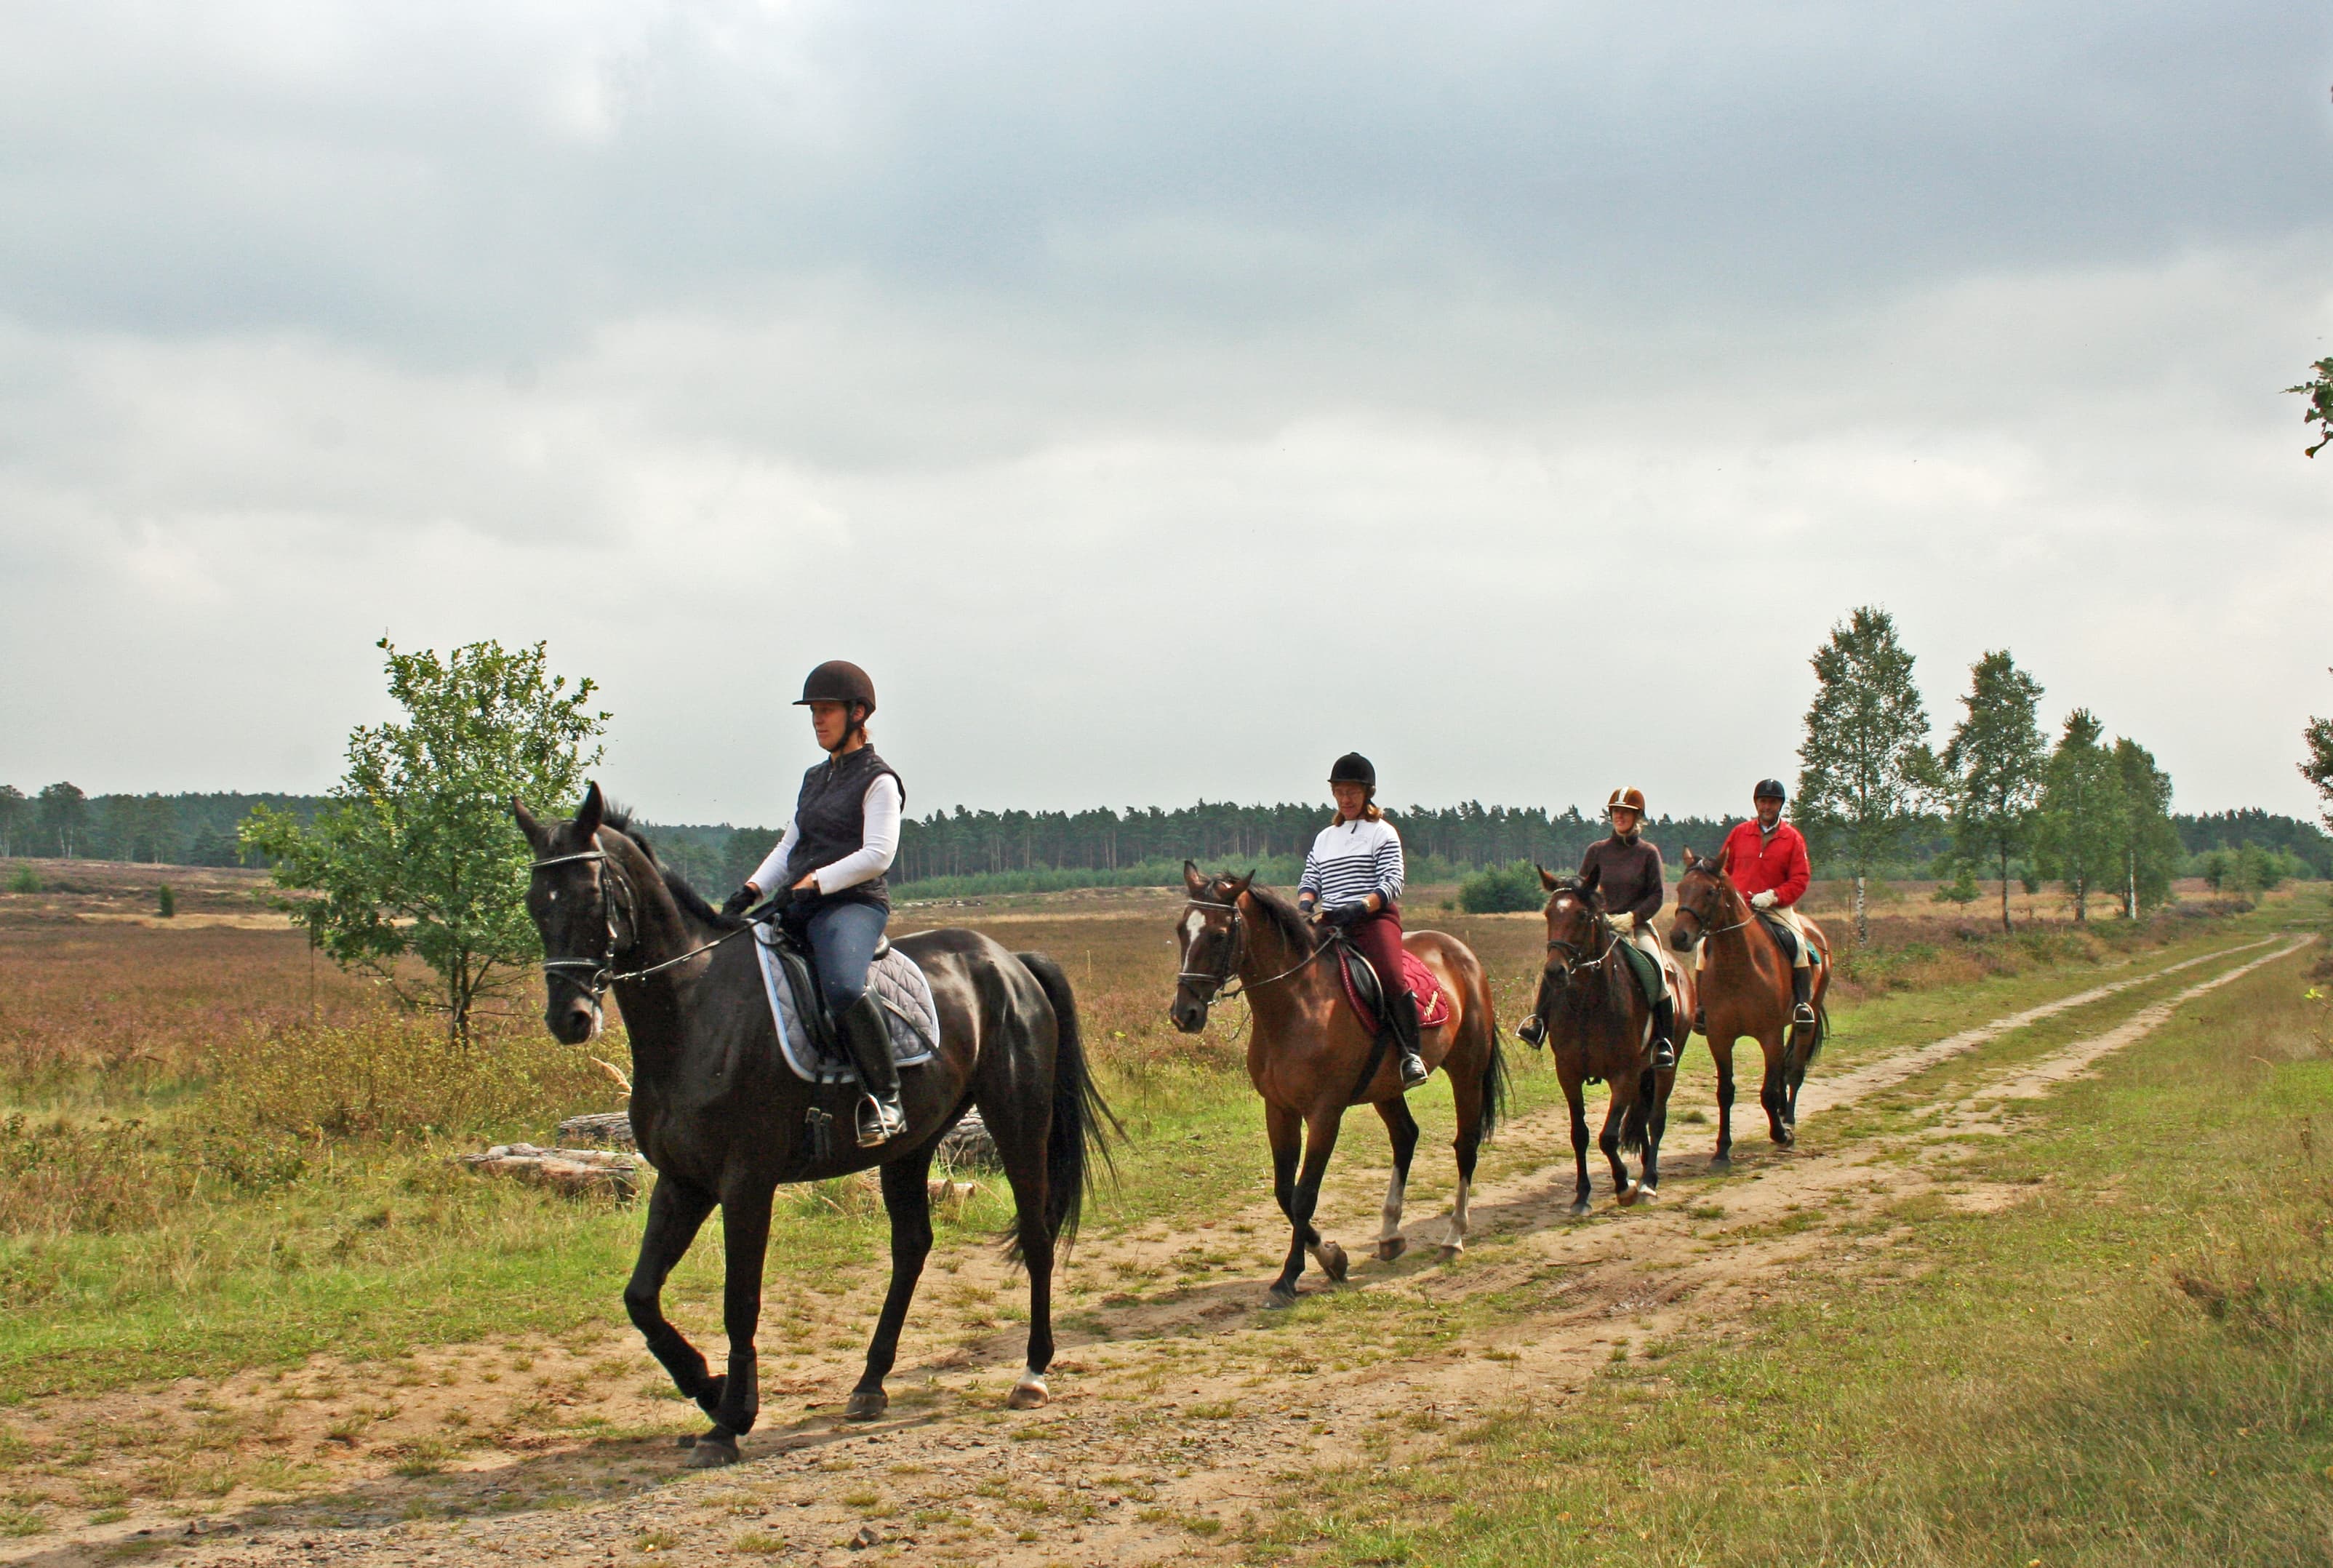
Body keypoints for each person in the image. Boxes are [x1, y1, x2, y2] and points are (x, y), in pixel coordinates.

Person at [722, 660, 908, 1147]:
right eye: (814, 713)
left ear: (858, 713)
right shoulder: (814, 778)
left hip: (853, 905)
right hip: (802, 900)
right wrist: (752, 891)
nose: (817, 721)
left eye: (826, 711)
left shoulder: (879, 779)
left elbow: (878, 854)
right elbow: (790, 847)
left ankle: (887, 1099)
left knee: (844, 987)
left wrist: (818, 883)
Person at [1296, 753, 1428, 1089]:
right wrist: (1305, 904)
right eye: (1339, 791)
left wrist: (1362, 906)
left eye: (1352, 791)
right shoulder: (1325, 838)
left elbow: (1392, 882)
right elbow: (1311, 877)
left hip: (1372, 919)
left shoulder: (1382, 833)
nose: (1345, 798)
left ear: (1367, 792)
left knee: (1390, 975)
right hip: (1331, 920)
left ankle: (1411, 1054)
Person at [1577, 786, 1677, 1070]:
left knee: (1656, 972)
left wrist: (1632, 917)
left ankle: (1663, 1042)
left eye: (1626, 813)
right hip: (1600, 926)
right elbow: (1583, 889)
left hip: (1636, 928)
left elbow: (1657, 896)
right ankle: (1539, 1023)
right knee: (1560, 965)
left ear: (1638, 818)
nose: (1619, 816)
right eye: (1616, 812)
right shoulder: (1596, 851)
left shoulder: (1648, 853)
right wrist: (1597, 916)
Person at [1716, 777, 1817, 1029]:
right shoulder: (1739, 833)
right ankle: (1702, 1007)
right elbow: (1723, 870)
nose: (1767, 807)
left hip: (1774, 907)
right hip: (1739, 908)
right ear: (1756, 803)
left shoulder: (1792, 838)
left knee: (1798, 942)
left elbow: (1800, 878)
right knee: (1706, 946)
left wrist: (1774, 896)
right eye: (1763, 801)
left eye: (1772, 802)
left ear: (1780, 805)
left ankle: (1802, 1004)